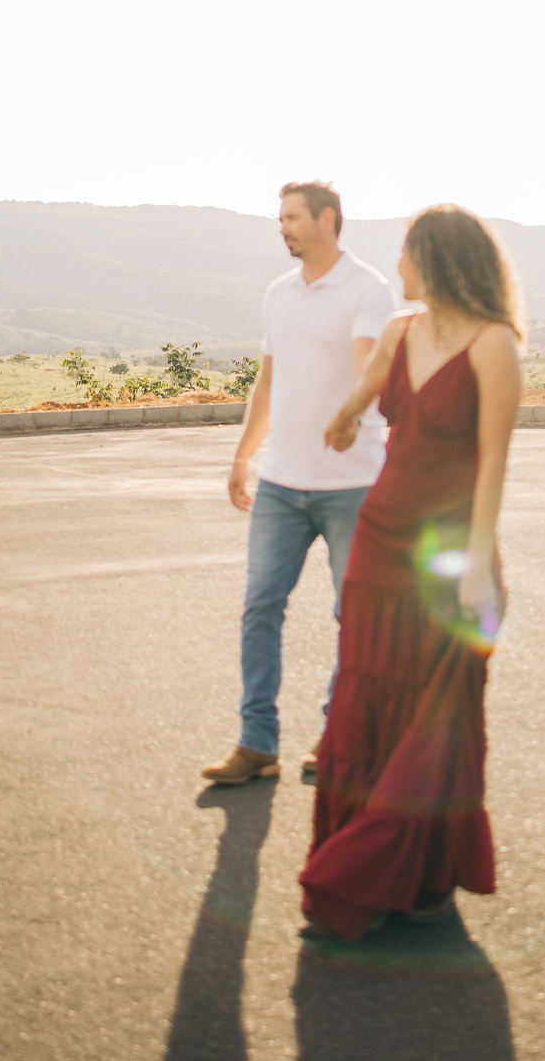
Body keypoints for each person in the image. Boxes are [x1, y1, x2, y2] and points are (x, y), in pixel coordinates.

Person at [298, 203, 523, 939]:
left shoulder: (494, 345)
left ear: (439, 261)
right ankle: (371, 869)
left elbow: (493, 462)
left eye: (406, 252)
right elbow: (363, 397)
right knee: (367, 696)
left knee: (441, 710)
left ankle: (418, 873)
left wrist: (477, 568)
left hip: (452, 552)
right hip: (383, 541)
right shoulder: (399, 331)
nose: (397, 266)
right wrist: (342, 419)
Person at [201, 181, 396, 787]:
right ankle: (256, 743)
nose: (281, 227)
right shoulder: (279, 293)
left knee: (354, 615)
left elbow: (367, 365)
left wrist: (352, 414)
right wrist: (243, 456)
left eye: (291, 217)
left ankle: (340, 736)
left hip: (351, 484)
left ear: (327, 219)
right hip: (281, 484)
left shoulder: (368, 289)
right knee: (260, 606)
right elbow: (268, 382)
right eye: (280, 217)